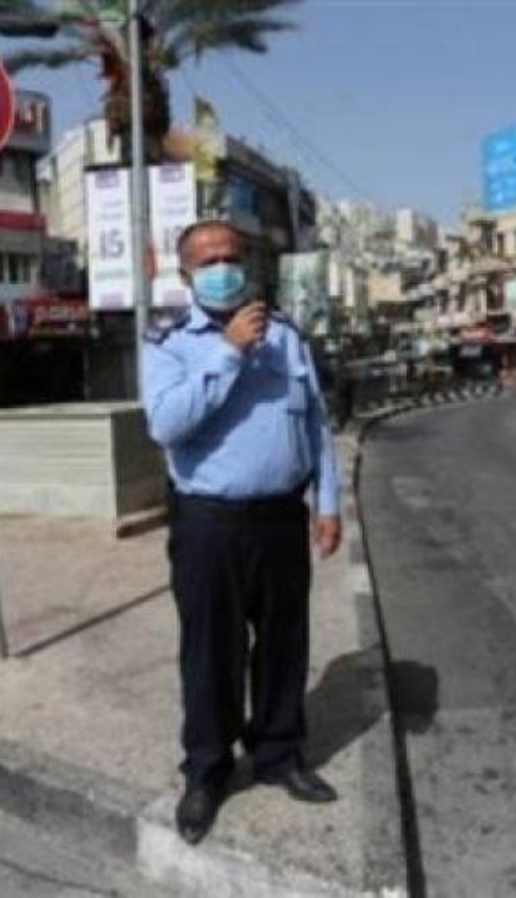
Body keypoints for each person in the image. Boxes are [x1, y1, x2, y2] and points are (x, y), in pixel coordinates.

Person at [142, 220, 343, 847]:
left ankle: (279, 752)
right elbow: (166, 425)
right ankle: (207, 770)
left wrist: (327, 502)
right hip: (210, 523)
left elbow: (314, 423)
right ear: (186, 275)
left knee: (284, 644)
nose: (223, 268)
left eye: (231, 256)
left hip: (281, 517)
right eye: (208, 261)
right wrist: (228, 352)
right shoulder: (168, 343)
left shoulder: (285, 335)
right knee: (212, 652)